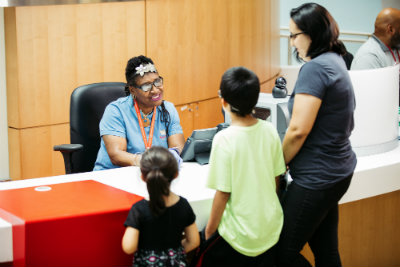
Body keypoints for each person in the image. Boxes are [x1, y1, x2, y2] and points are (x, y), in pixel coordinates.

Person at [277, 3, 357, 267]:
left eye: (294, 35)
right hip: (337, 172)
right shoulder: (336, 59)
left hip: (317, 177)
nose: (291, 43)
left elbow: (298, 130)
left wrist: (277, 165)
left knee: (280, 254)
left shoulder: (315, 69)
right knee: (326, 250)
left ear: (311, 34)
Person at [196, 67, 286, 266]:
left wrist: (210, 232)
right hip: (270, 228)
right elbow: (276, 179)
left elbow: (223, 192)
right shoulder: (270, 131)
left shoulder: (224, 139)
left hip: (239, 236)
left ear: (224, 101)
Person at [93, 55, 185, 171]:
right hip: (113, 177)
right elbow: (116, 156)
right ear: (132, 90)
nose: (155, 90)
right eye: (146, 86)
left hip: (152, 175)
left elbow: (178, 147)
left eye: (157, 82)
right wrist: (146, 161)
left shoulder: (168, 109)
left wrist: (173, 156)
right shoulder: (116, 111)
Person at [122, 146, 200, 267]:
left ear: (143, 176)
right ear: (176, 174)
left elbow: (128, 247)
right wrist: (174, 253)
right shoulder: (183, 205)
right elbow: (194, 241)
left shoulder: (139, 209)